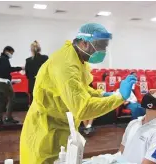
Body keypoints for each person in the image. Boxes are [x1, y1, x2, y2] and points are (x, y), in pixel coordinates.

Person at [20, 23, 137, 164]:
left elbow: (81, 89)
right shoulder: (66, 65)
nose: (104, 51)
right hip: (46, 132)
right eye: (101, 46)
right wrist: (119, 98)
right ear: (84, 43)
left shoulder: (77, 58)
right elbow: (82, 109)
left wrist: (102, 95)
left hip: (62, 126)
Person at [0, 46, 23, 125]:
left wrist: (11, 80)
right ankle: (8, 118)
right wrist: (19, 68)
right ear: (7, 51)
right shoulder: (4, 59)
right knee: (12, 98)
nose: (11, 55)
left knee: (0, 100)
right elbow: (8, 69)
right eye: (11, 53)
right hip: (3, 82)